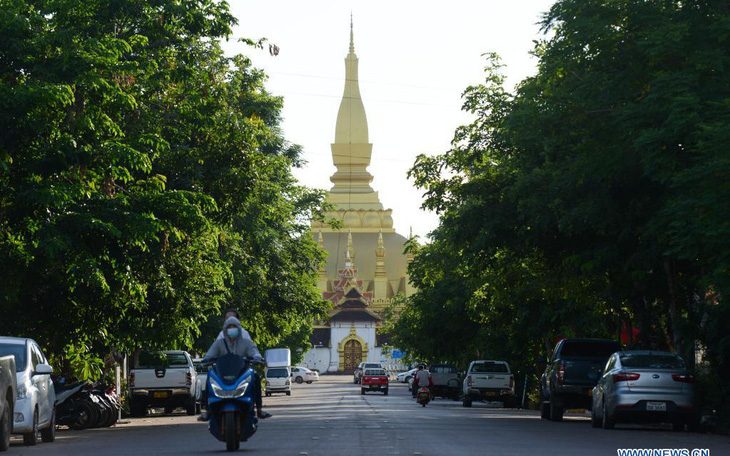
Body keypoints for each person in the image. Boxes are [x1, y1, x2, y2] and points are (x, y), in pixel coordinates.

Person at [198, 316, 272, 421]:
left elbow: (254, 352)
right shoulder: (219, 343)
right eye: (229, 327)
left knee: (256, 377)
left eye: (234, 327)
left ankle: (259, 410)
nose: (232, 329)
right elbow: (210, 353)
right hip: (223, 374)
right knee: (209, 376)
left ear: (239, 328)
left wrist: (257, 357)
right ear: (225, 330)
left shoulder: (246, 343)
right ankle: (208, 412)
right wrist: (206, 359)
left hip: (241, 375)